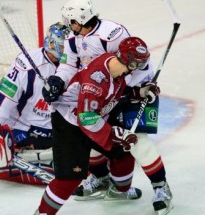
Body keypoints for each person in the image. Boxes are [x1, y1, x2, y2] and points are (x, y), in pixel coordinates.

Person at [42, 0, 173, 215]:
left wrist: (139, 89)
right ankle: (102, 179)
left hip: (126, 90)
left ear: (79, 20)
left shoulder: (112, 34)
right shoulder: (72, 39)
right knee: (95, 137)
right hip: (102, 95)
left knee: (137, 141)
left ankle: (162, 188)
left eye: (70, 20)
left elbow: (136, 62)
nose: (67, 24)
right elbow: (68, 67)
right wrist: (57, 81)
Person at [35, 37, 152, 215]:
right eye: (139, 64)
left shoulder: (113, 65)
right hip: (69, 124)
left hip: (92, 117)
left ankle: (119, 191)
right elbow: (87, 118)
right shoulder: (95, 81)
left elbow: (109, 95)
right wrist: (115, 133)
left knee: (124, 150)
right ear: (132, 63)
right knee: (69, 179)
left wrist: (138, 92)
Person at [0, 22, 69, 185]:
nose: (70, 49)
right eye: (65, 46)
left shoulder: (75, 63)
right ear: (52, 44)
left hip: (58, 128)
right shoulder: (27, 63)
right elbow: (0, 99)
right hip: (25, 130)